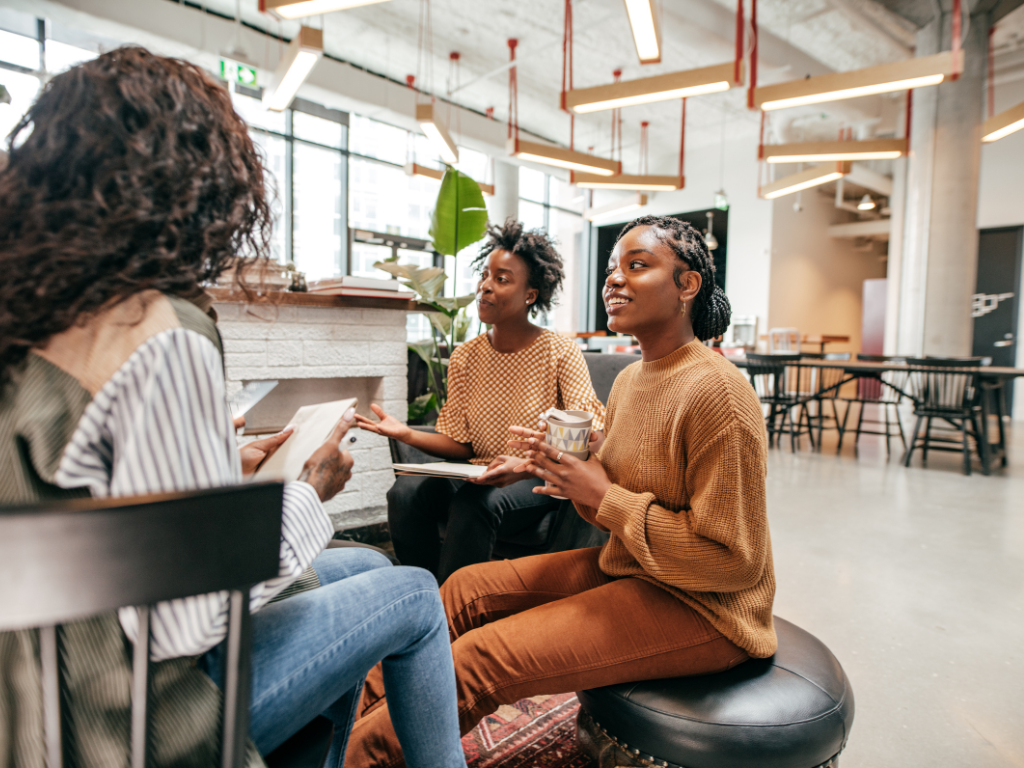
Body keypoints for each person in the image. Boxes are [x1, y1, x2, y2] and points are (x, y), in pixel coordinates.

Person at [0, 47, 465, 768]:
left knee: (358, 569)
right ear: (199, 188)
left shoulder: (30, 316)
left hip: (28, 689)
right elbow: (191, 618)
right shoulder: (156, 330)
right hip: (125, 728)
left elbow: (78, 515)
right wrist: (305, 493)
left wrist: (219, 469)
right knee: (411, 593)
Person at [343, 216, 775, 768]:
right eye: (612, 268)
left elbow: (734, 565)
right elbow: (614, 486)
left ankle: (350, 759)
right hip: (639, 567)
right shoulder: (631, 379)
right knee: (463, 590)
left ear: (687, 285)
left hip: (707, 609)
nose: (614, 280)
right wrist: (564, 459)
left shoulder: (719, 392)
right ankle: (335, 718)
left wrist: (603, 492)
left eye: (637, 266)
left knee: (479, 660)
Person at [356, 220, 605, 583]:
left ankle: (455, 613)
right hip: (480, 472)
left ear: (530, 295)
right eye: (486, 275)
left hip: (538, 477)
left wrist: (522, 464)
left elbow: (585, 435)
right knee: (405, 492)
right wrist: (404, 434)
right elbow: (461, 444)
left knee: (477, 503)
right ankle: (422, 593)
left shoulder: (559, 351)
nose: (485, 286)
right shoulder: (465, 356)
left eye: (502, 279)